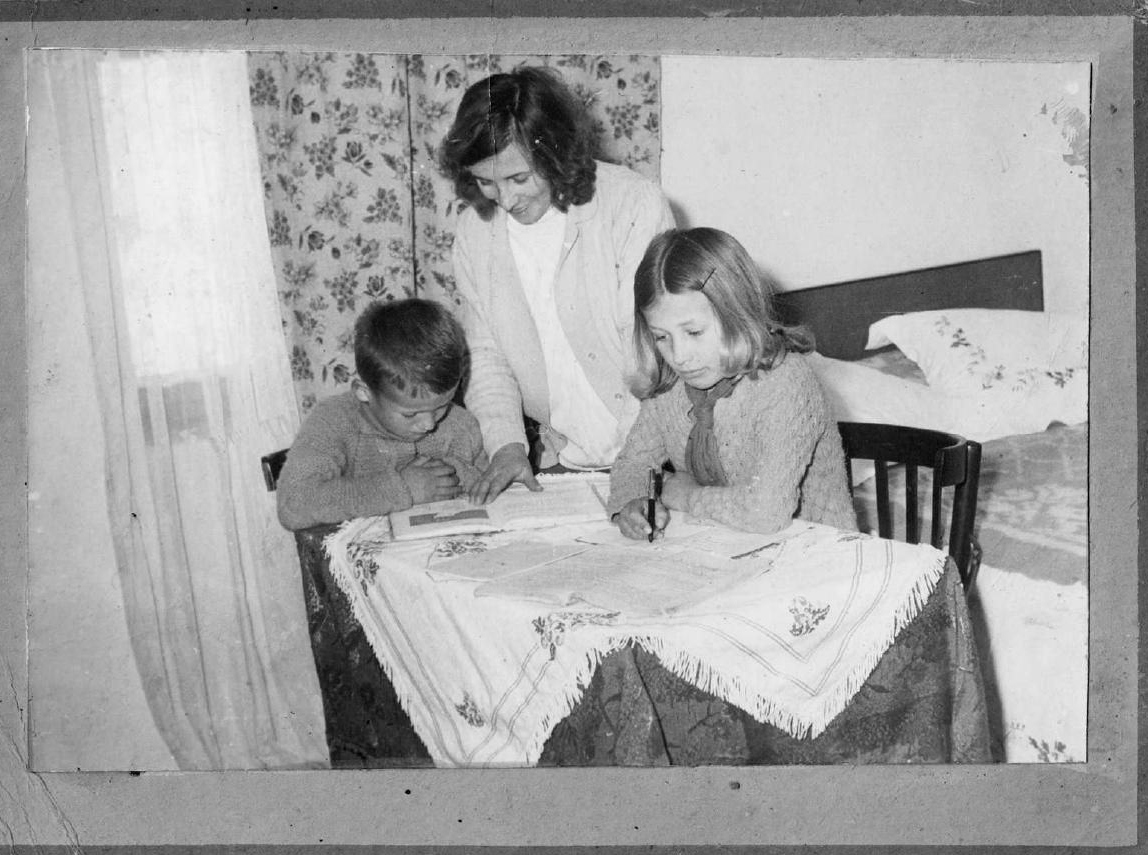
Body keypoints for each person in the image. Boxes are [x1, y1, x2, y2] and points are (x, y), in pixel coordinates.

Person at [439, 65, 676, 504]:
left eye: (518, 178)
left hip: (657, 452)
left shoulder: (631, 204)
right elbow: (487, 355)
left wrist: (634, 469)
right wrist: (507, 445)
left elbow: (651, 349)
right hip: (562, 461)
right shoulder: (474, 232)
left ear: (554, 153)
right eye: (486, 182)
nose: (505, 201)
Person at [608, 227, 858, 540]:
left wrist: (681, 494)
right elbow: (633, 463)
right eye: (661, 337)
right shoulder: (672, 385)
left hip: (818, 551)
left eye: (695, 332)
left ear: (737, 314)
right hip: (728, 544)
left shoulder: (786, 382)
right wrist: (632, 503)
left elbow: (766, 512)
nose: (679, 356)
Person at [276, 298, 487, 530]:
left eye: (441, 406)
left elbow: (492, 492)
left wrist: (460, 475)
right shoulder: (334, 421)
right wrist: (403, 488)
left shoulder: (461, 426)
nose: (429, 424)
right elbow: (293, 505)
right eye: (410, 414)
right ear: (364, 392)